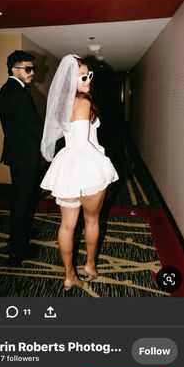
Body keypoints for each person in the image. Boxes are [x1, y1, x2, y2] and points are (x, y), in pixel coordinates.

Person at [40, 54, 118, 290]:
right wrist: (105, 162)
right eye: (82, 76)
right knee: (92, 220)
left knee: (66, 225)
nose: (88, 80)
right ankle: (90, 266)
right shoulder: (83, 103)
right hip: (87, 165)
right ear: (70, 80)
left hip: (68, 167)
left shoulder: (62, 105)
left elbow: (57, 137)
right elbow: (84, 144)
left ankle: (68, 275)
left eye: (89, 75)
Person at [0, 50, 43, 263]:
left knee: (23, 197)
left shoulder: (9, 90)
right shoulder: (16, 93)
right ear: (14, 69)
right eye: (28, 69)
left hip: (20, 152)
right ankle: (17, 249)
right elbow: (34, 126)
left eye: (33, 68)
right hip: (24, 154)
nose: (32, 72)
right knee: (22, 200)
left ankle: (23, 231)